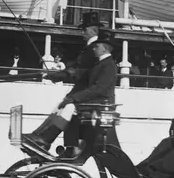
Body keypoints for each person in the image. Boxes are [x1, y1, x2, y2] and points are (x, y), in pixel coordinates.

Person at [22, 13, 110, 151]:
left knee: (65, 106)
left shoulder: (94, 50)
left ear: (93, 30)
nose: (82, 33)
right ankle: (40, 136)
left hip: (88, 96)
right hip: (83, 93)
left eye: (85, 30)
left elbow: (83, 72)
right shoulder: (91, 49)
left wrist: (61, 76)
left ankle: (45, 138)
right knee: (61, 107)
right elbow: (77, 68)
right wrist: (58, 74)